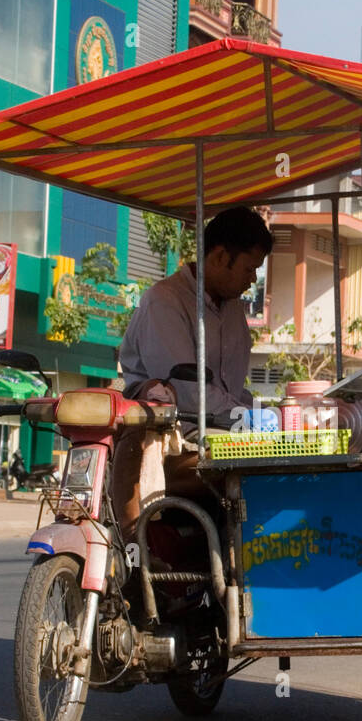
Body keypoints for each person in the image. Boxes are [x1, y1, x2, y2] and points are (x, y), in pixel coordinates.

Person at [113, 206, 273, 539]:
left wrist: (267, 413)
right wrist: (248, 417)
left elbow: (231, 390)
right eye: (249, 268)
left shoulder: (233, 312)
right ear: (219, 256)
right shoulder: (165, 302)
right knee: (257, 476)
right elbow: (190, 394)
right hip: (174, 442)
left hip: (222, 433)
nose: (252, 279)